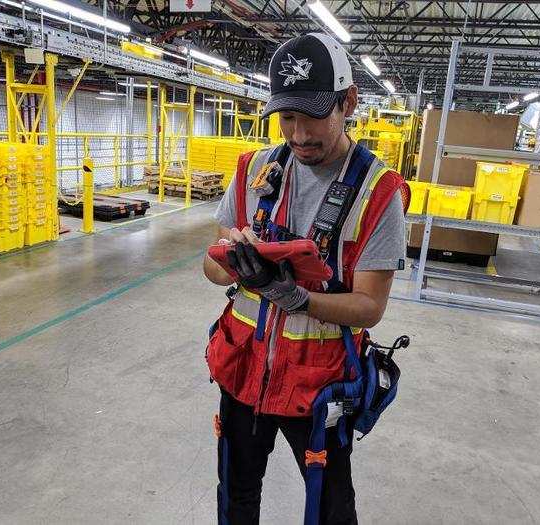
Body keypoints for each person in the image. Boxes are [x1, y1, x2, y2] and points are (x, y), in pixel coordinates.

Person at [203, 32, 407, 525]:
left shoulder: (378, 193)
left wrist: (293, 297)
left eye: (313, 115)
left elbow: (369, 308)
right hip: (243, 369)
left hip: (318, 385)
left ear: (348, 102)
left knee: (332, 506)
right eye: (287, 117)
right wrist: (236, 264)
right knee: (236, 493)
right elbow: (209, 267)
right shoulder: (255, 170)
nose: (298, 134)